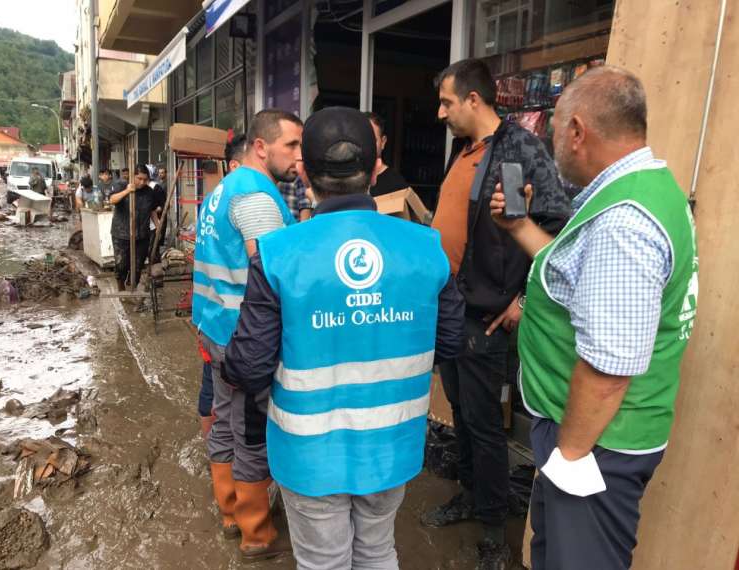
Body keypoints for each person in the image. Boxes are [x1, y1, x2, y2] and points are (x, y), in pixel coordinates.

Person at [222, 107, 465, 570]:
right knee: (377, 551)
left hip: (309, 454)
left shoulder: (278, 254)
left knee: (323, 562)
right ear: (375, 168)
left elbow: (250, 366)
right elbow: (450, 344)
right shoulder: (425, 246)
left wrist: (226, 366)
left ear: (305, 173)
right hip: (393, 444)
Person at [490, 66, 698, 570]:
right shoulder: (643, 188)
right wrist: (519, 228)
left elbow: (609, 365)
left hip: (596, 446)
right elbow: (573, 279)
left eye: (557, 129)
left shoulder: (622, 223)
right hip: (590, 437)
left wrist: (571, 457)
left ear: (579, 131)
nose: (552, 141)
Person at [421, 57, 570, 570]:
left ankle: (492, 531)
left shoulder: (521, 148)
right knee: (462, 413)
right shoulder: (464, 150)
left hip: (486, 314)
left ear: (474, 100)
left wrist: (523, 300)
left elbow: (558, 231)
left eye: (446, 102)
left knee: (485, 427)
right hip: (450, 306)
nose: (440, 112)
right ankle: (469, 495)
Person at [191, 109, 302, 560]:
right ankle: (256, 535)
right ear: (262, 146)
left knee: (222, 419)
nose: (299, 156)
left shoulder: (224, 189)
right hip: (244, 337)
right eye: (291, 145)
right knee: (251, 431)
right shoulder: (256, 195)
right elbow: (271, 271)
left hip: (215, 328)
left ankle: (230, 513)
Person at [197, 134, 248, 440]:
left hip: (210, 316)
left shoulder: (214, 200)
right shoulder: (241, 201)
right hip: (227, 321)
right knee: (226, 402)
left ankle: (213, 451)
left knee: (214, 390)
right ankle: (216, 450)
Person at [107, 164, 161, 291]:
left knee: (137, 266)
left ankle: (132, 289)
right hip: (121, 234)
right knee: (122, 265)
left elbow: (152, 210)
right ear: (133, 176)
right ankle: (121, 287)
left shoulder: (149, 192)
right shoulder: (121, 185)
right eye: (139, 178)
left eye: (145, 179)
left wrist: (157, 225)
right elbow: (112, 200)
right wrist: (127, 191)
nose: (142, 182)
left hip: (142, 234)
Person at [364, 112, 411, 197]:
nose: (366, 145)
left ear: (383, 142)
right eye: (362, 139)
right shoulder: (347, 179)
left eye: (372, 140)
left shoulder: (396, 184)